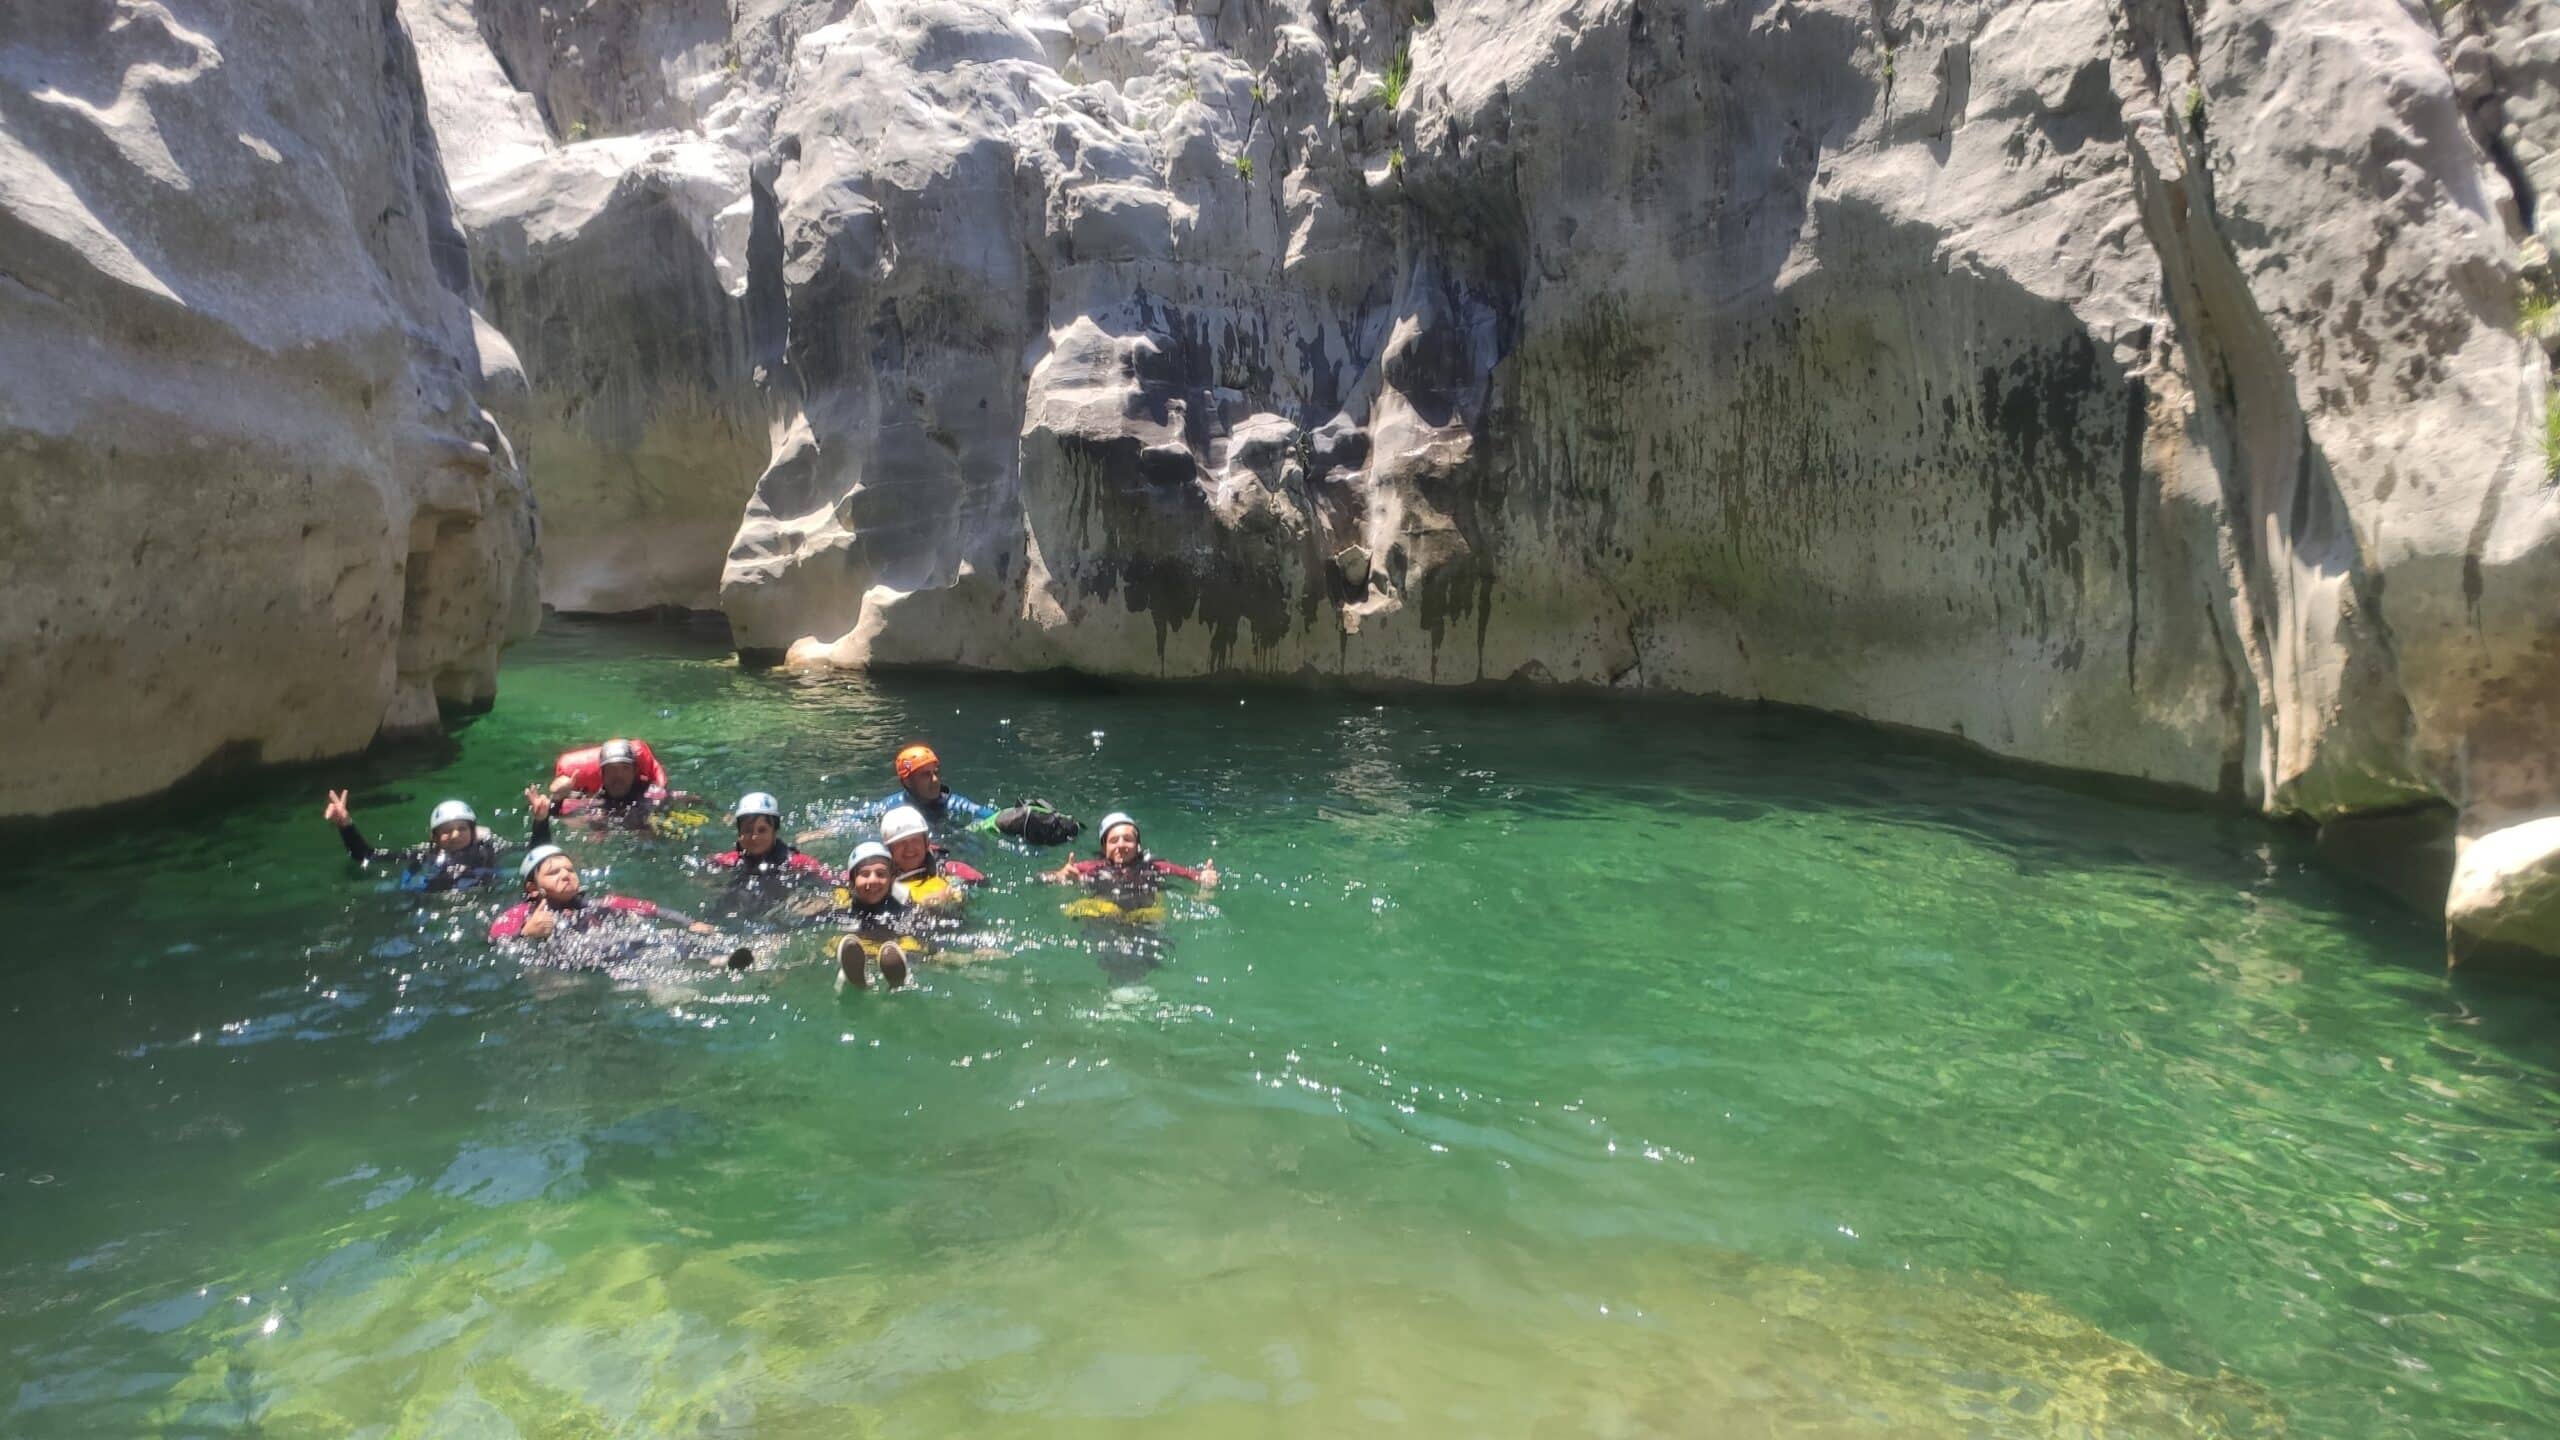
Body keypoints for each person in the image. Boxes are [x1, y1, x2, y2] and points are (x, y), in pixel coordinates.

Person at [491, 846, 748, 968]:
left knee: (664, 938)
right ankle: (663, 987)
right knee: (622, 954)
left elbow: (649, 909)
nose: (566, 875)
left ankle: (720, 958)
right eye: (553, 872)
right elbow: (496, 942)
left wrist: (689, 923)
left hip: (607, 942)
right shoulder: (520, 915)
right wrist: (526, 934)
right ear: (532, 889)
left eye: (570, 869)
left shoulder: (596, 904)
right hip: (583, 957)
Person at [324, 787, 553, 893]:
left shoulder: (491, 847)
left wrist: (541, 819)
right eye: (446, 831)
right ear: (433, 837)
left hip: (484, 896)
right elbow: (366, 856)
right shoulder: (424, 854)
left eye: (462, 828)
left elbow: (539, 852)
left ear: (474, 832)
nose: (455, 835)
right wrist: (345, 825)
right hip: (436, 900)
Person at [1041, 812, 1218, 919]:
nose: (1120, 845)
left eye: (1128, 839)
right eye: (1113, 840)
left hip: (1144, 914)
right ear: (1104, 847)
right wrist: (1060, 875)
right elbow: (1043, 878)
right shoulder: (1092, 867)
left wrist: (1205, 877)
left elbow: (1192, 875)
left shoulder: (1156, 866)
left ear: (1138, 845)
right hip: (1105, 912)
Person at [832, 841, 931, 988]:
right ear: (852, 881)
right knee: (838, 944)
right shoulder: (841, 909)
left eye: (881, 874)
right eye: (865, 874)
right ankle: (854, 979)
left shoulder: (904, 910)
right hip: (862, 948)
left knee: (911, 947)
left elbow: (930, 935)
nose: (873, 880)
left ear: (892, 879)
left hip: (894, 949)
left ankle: (898, 979)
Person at [850, 745, 1000, 832]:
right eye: (925, 775)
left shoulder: (957, 805)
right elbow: (851, 820)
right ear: (908, 782)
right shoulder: (892, 806)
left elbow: (995, 817)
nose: (935, 780)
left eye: (935, 772)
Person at [548, 738, 680, 832]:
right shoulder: (593, 802)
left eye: (625, 768)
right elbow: (555, 821)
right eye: (611, 769)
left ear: (635, 772)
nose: (618, 775)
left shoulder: (654, 795)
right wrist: (557, 798)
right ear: (602, 773)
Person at [708, 792, 832, 883]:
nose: (754, 837)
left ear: (774, 831)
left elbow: (833, 879)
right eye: (747, 831)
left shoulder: (797, 863)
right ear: (739, 833)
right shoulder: (731, 860)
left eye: (762, 830)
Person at [881, 804, 984, 911]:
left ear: (926, 843)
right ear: (889, 849)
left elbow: (983, 883)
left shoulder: (949, 868)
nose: (909, 848)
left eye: (915, 840)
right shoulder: (881, 880)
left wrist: (960, 889)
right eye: (900, 843)